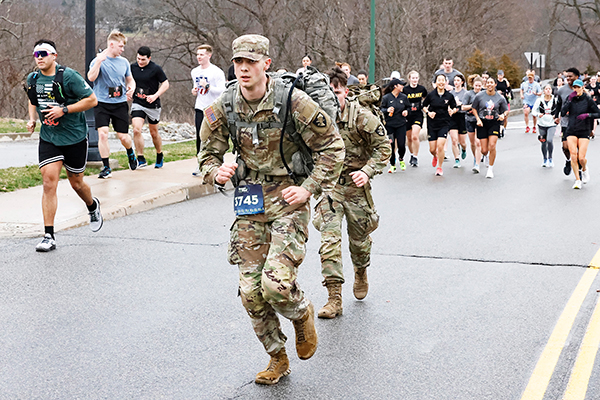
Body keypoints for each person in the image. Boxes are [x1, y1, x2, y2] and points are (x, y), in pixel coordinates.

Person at [197, 34, 344, 385]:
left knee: (275, 286)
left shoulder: (294, 101)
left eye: (251, 62)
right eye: (238, 63)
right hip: (250, 199)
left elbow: (332, 147)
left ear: (266, 63)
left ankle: (301, 312)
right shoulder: (225, 104)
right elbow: (206, 152)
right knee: (250, 293)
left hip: (289, 198)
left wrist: (308, 189)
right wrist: (215, 172)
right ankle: (277, 357)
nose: (244, 68)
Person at [313, 67, 390, 319]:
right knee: (329, 241)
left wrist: (367, 171)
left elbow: (383, 148)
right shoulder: (318, 117)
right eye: (329, 92)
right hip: (330, 187)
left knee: (359, 243)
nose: (333, 97)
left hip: (356, 187)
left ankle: (361, 270)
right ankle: (334, 298)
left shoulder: (363, 117)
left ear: (345, 91)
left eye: (337, 92)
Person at [25, 40, 103, 251]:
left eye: (43, 53)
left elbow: (92, 100)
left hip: (75, 137)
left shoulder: (68, 76)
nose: (39, 57)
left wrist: (64, 110)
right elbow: (33, 99)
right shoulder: (33, 78)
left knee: (76, 183)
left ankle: (92, 206)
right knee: (49, 182)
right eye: (36, 54)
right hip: (50, 137)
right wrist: (32, 119)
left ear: (54, 55)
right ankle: (49, 236)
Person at [87, 30, 137, 178]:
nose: (122, 49)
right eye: (120, 46)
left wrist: (132, 88)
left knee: (123, 137)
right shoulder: (98, 60)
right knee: (102, 134)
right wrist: (98, 61)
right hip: (101, 102)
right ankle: (106, 167)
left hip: (120, 103)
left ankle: (130, 152)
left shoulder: (124, 62)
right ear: (111, 44)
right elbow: (91, 77)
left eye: (123, 47)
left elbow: (130, 80)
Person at [130, 46, 169, 168]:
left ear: (149, 58)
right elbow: (127, 81)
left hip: (153, 104)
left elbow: (166, 83)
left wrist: (155, 95)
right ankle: (140, 157)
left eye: (143, 60)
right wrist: (129, 91)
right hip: (138, 102)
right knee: (136, 129)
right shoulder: (132, 67)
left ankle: (159, 154)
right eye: (138, 59)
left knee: (154, 132)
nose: (140, 62)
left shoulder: (155, 68)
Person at [191, 44, 226, 175]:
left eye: (201, 54)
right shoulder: (195, 72)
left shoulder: (216, 72)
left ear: (209, 55)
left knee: (213, 136)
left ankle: (216, 164)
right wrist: (194, 90)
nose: (198, 57)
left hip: (212, 109)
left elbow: (222, 90)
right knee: (199, 136)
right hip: (200, 107)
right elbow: (196, 88)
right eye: (197, 54)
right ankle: (200, 164)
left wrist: (209, 86)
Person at [561, 79, 600, 189]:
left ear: (583, 88)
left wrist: (588, 115)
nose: (576, 89)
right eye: (574, 87)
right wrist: (568, 100)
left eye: (578, 87)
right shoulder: (571, 99)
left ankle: (584, 169)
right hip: (571, 130)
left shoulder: (588, 100)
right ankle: (578, 180)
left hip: (584, 130)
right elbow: (563, 113)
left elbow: (598, 113)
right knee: (573, 155)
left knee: (581, 158)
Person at [471, 77, 509, 179]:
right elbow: (474, 108)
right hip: (482, 123)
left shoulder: (500, 98)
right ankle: (486, 155)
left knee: (492, 145)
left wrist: (503, 115)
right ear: (485, 84)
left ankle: (490, 169)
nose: (489, 84)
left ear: (495, 84)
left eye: (492, 83)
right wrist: (478, 119)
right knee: (484, 150)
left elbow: (506, 110)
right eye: (488, 83)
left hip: (494, 122)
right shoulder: (480, 96)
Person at [422, 74, 458, 176]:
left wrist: (452, 111)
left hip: (444, 123)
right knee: (432, 149)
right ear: (436, 83)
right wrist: (428, 113)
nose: (441, 82)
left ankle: (439, 167)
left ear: (446, 83)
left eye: (443, 80)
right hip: (432, 123)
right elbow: (423, 106)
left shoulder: (449, 96)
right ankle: (435, 156)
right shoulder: (431, 95)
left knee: (440, 146)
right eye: (439, 80)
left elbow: (455, 107)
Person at [554, 67, 580, 176]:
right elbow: (558, 104)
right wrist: (556, 116)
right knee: (565, 146)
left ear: (577, 77)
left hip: (578, 122)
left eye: (570, 76)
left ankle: (578, 168)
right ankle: (569, 161)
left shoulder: (580, 90)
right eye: (567, 76)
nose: (568, 78)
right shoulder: (562, 90)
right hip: (565, 122)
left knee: (577, 148)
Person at [381, 79, 409, 172]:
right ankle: (392, 164)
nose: (403, 87)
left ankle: (401, 158)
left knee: (401, 145)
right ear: (395, 86)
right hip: (389, 125)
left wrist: (406, 111)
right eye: (401, 85)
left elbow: (408, 107)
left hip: (401, 124)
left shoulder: (404, 97)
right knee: (391, 145)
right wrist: (387, 110)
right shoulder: (386, 98)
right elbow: (380, 110)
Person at [403, 70, 428, 167]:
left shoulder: (422, 89)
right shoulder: (405, 90)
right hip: (408, 115)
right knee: (409, 138)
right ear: (409, 79)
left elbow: (427, 98)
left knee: (414, 136)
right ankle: (412, 154)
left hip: (418, 115)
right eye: (413, 78)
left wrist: (425, 106)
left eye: (416, 78)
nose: (415, 80)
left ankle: (415, 157)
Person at [532, 84, 559, 167]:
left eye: (549, 89)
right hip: (542, 123)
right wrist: (538, 114)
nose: (548, 90)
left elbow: (559, 109)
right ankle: (545, 159)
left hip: (551, 123)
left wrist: (557, 116)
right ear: (543, 91)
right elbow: (533, 111)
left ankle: (550, 158)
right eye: (546, 89)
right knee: (543, 142)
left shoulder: (555, 100)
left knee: (549, 140)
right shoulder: (539, 100)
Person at [462, 76, 483, 173]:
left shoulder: (484, 94)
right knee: (473, 143)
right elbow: (463, 107)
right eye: (476, 85)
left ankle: (477, 164)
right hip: (470, 119)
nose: (478, 87)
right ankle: (475, 157)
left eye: (479, 86)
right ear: (473, 85)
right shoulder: (468, 94)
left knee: (478, 142)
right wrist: (472, 107)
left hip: (480, 120)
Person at [449, 74, 469, 168]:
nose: (456, 82)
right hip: (452, 117)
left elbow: (468, 105)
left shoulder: (466, 93)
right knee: (454, 140)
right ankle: (457, 159)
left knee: (462, 142)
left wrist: (460, 105)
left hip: (462, 117)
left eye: (458, 80)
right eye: (455, 80)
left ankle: (464, 149)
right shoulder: (450, 93)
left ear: (462, 82)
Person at [495, 70, 513, 137]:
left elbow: (509, 89)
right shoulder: (496, 82)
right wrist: (497, 92)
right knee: (499, 116)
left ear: (503, 75)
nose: (500, 76)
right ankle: (499, 128)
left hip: (505, 100)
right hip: (497, 100)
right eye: (499, 75)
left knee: (505, 116)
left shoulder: (505, 82)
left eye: (501, 75)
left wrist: (509, 94)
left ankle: (504, 128)